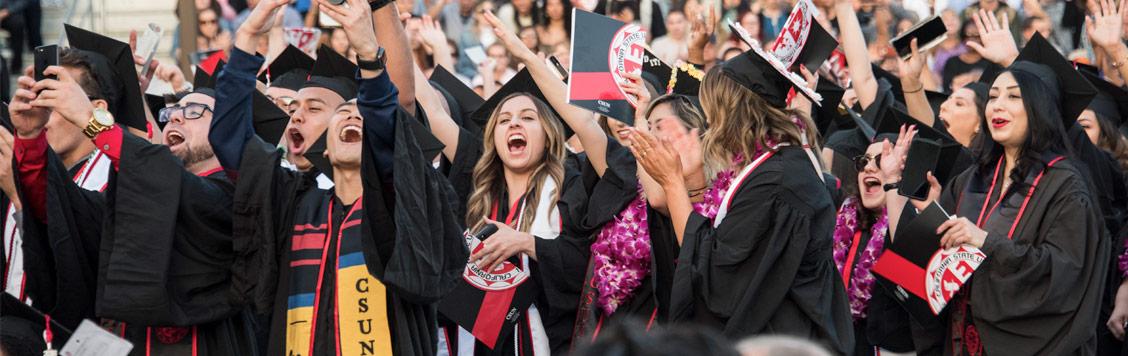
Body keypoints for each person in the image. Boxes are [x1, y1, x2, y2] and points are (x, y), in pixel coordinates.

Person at [210, 0, 466, 355]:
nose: (353, 118)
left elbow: (390, 126)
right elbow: (228, 137)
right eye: (344, 113)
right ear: (324, 148)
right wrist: (249, 35)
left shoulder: (400, 204)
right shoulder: (291, 201)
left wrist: (367, 52)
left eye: (362, 114)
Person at [882, 38, 1109, 356]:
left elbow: (1063, 275)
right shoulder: (970, 180)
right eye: (992, 96)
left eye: (1013, 97)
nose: (997, 105)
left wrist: (985, 242)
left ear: (1039, 109)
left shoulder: (1066, 187)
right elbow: (925, 271)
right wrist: (928, 215)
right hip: (960, 341)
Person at [632, 47, 854, 354]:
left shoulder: (776, 181)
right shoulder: (774, 167)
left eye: (712, 109)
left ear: (731, 111)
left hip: (790, 341)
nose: (709, 121)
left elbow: (716, 273)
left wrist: (672, 181)